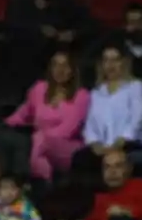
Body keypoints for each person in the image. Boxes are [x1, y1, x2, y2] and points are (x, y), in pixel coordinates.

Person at [5, 49, 90, 182]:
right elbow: (23, 114)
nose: (59, 70)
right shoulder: (39, 88)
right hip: (39, 146)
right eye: (55, 65)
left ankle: (33, 183)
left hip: (69, 148)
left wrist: (40, 138)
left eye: (65, 66)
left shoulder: (81, 95)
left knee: (39, 141)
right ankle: (43, 187)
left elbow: (68, 129)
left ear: (73, 69)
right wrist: (4, 124)